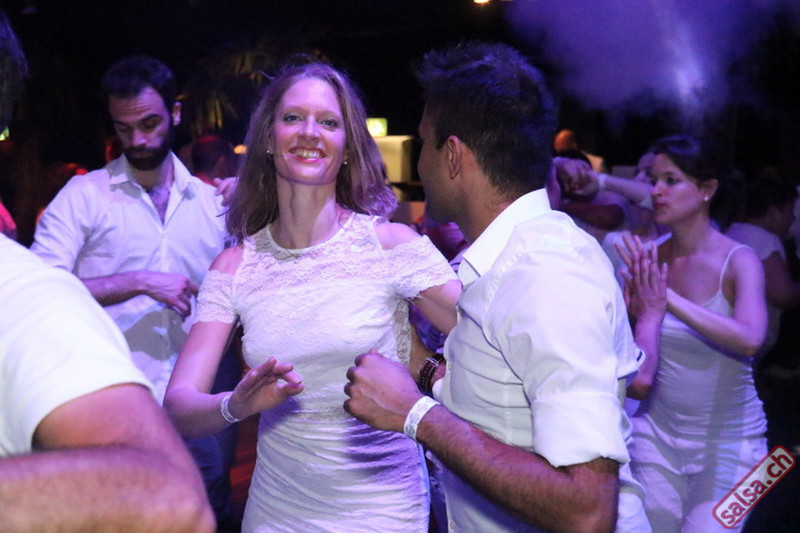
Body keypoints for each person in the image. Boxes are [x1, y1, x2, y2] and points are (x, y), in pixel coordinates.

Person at [344, 41, 651, 532]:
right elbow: (501, 400)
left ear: (452, 155)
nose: (419, 165)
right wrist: (417, 360)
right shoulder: (506, 261)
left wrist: (414, 415)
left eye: (423, 143)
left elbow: (587, 510)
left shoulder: (545, 275)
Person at [164, 59, 460, 533]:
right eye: (292, 118)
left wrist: (428, 373)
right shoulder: (235, 267)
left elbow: (490, 337)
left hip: (382, 506)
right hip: (276, 510)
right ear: (268, 138)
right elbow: (179, 406)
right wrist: (236, 405)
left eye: (328, 122)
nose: (309, 132)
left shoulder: (391, 246)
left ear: (347, 148)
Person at [0, 9, 214, 532]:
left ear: (175, 113)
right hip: (93, 416)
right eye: (123, 128)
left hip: (198, 412)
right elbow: (39, 288)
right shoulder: (83, 196)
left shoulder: (214, 205)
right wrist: (136, 281)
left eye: (149, 124)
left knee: (211, 513)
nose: (137, 140)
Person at [626, 135, 768, 532]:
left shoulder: (740, 260)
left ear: (707, 189)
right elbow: (636, 365)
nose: (656, 191)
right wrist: (637, 310)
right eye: (653, 180)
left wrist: (666, 299)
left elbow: (750, 338)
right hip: (655, 440)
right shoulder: (649, 258)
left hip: (735, 446)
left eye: (671, 180)